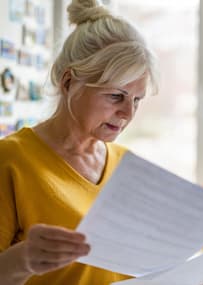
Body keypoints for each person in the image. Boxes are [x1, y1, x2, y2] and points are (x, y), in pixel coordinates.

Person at [0, 0, 158, 284]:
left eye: (137, 100)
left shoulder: (128, 164)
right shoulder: (10, 159)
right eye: (116, 96)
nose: (128, 113)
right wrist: (24, 259)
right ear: (69, 82)